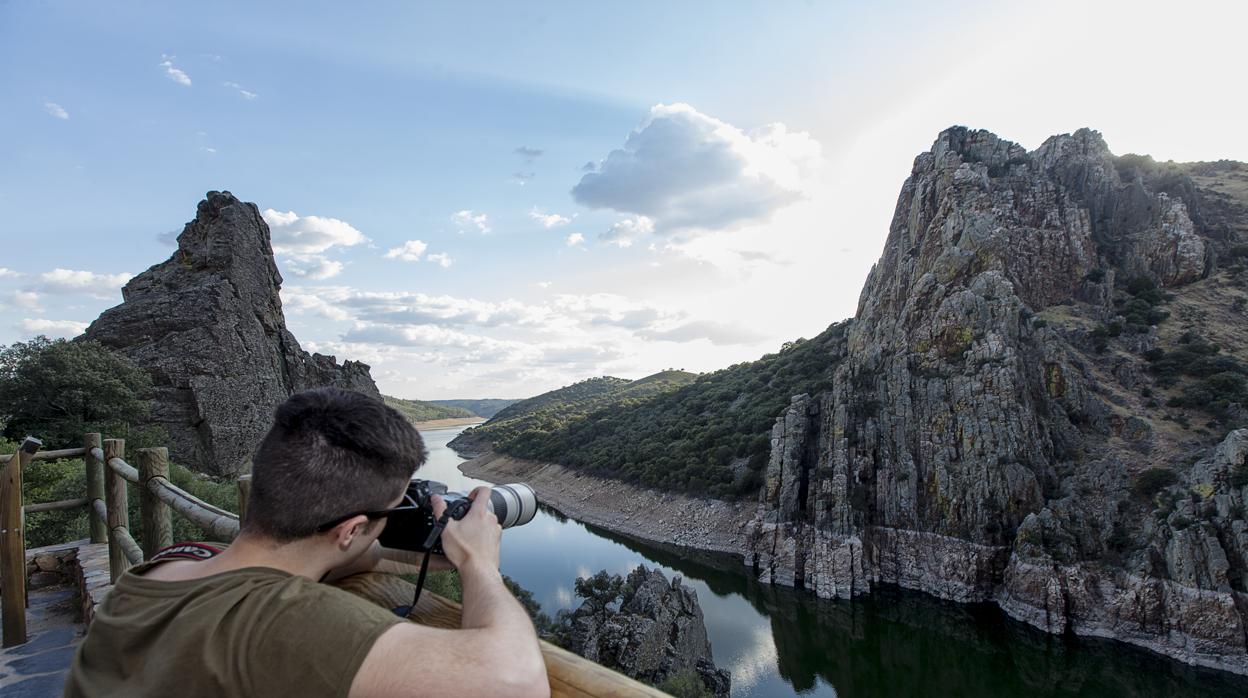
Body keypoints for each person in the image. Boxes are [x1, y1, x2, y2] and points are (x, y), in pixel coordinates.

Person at [64, 388, 549, 697]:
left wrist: (441, 545)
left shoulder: (158, 575)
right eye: (392, 510)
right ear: (350, 529)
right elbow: (516, 682)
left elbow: (347, 558)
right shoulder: (287, 624)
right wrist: (479, 561)